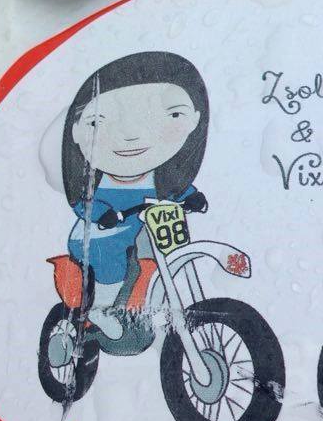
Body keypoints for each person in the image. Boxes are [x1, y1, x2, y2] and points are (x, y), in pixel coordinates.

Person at [57, 51, 209, 347]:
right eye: (98, 122)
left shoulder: (160, 178)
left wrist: (193, 197)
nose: (130, 135)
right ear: (75, 131)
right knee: (110, 260)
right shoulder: (96, 181)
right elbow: (81, 203)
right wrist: (101, 213)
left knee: (164, 257)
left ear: (195, 119)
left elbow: (173, 190)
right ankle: (100, 310)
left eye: (171, 115)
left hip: (144, 233)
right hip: (101, 235)